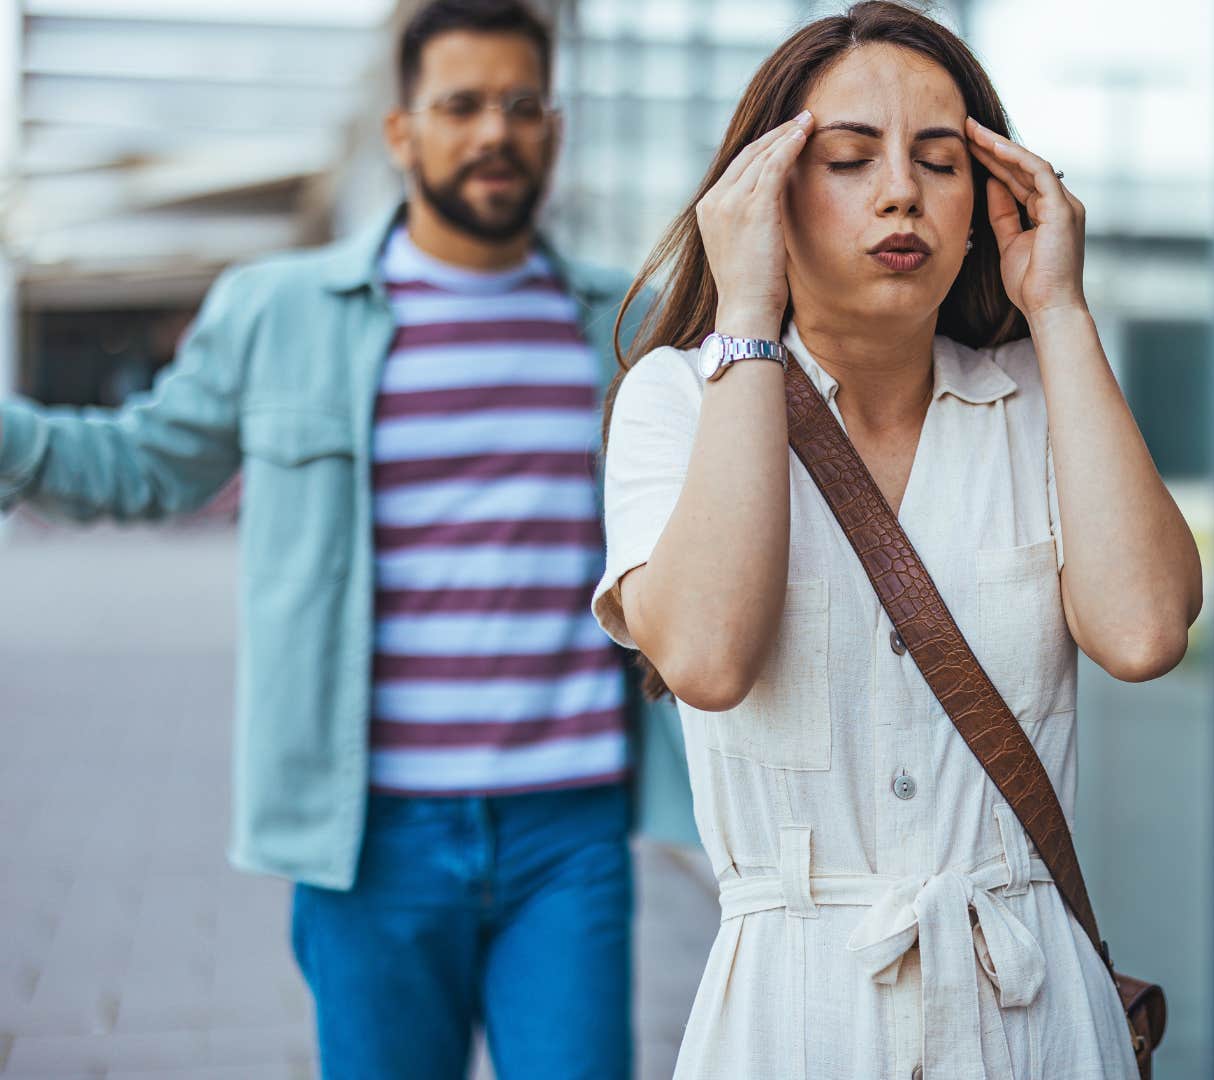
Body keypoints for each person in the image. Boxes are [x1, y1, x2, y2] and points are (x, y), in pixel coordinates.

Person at [0, 1, 695, 1076]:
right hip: (370, 836)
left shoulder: (625, 326)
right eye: (459, 105)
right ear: (401, 133)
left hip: (570, 830)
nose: (493, 133)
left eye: (521, 105)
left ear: (554, 131)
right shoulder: (279, 313)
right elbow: (142, 469)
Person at [592, 3, 1204, 1077]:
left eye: (940, 160)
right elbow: (705, 656)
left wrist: (1059, 309)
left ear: (987, 202)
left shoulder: (1040, 400)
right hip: (793, 1016)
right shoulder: (679, 399)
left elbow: (1145, 630)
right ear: (766, 191)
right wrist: (746, 309)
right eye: (847, 158)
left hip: (1034, 1018)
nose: (900, 192)